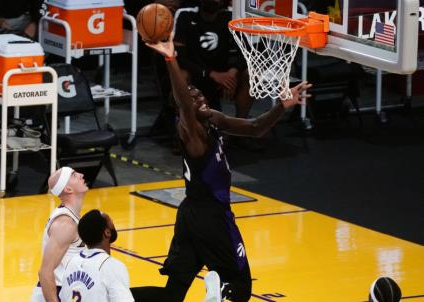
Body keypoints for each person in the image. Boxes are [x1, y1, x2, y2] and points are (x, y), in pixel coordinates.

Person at [131, 34, 311, 302]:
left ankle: (115, 297)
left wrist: (282, 106)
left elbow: (254, 128)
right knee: (241, 288)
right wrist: (171, 59)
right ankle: (219, 294)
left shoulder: (212, 120)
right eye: (192, 98)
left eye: (200, 93)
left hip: (191, 216)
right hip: (212, 217)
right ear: (182, 111)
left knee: (172, 295)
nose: (199, 98)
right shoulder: (193, 137)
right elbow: (182, 100)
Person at [173, 0, 251, 118]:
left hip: (223, 76)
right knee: (181, 75)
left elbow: (246, 52)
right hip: (197, 73)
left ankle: (240, 128)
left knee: (249, 75)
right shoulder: (185, 15)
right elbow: (180, 57)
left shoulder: (231, 17)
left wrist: (231, 73)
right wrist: (211, 74)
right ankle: (187, 125)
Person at [30, 166, 89, 302]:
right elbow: (45, 272)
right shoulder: (65, 224)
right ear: (68, 189)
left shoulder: (72, 217)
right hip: (56, 293)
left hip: (68, 291)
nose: (81, 174)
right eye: (74, 175)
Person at [59, 209, 135, 302]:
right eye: (110, 220)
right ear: (107, 233)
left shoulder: (72, 262)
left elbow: (63, 297)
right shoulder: (112, 266)